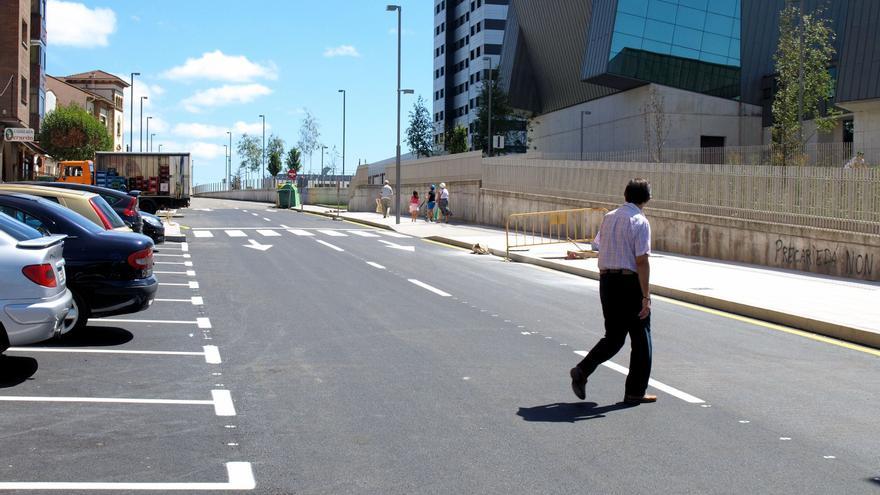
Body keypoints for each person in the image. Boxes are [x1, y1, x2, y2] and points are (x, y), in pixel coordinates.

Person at [570, 178, 656, 405]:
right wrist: (646, 296)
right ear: (647, 199)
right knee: (641, 339)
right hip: (629, 283)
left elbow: (596, 245)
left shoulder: (608, 217)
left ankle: (582, 370)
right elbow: (641, 261)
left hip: (607, 282)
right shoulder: (639, 221)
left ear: (626, 195)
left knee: (614, 337)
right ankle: (635, 392)